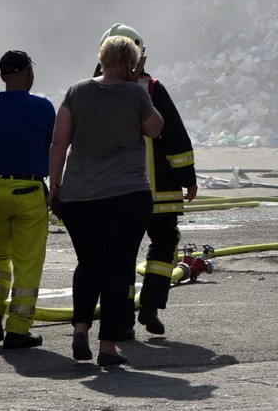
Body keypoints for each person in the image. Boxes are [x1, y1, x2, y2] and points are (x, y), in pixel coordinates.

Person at [49, 35, 164, 367]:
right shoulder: (134, 93)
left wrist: (55, 186)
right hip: (126, 195)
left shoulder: (77, 91)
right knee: (117, 268)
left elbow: (59, 143)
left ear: (101, 57)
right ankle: (108, 346)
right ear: (131, 62)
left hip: (79, 195)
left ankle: (81, 328)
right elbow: (155, 128)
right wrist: (136, 81)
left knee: (88, 264)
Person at [93, 24, 198, 340]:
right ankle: (150, 304)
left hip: (112, 191)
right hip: (159, 190)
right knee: (164, 241)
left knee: (119, 253)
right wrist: (187, 179)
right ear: (139, 55)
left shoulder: (90, 90)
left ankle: (122, 321)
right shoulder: (152, 89)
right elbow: (175, 137)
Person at [0, 51, 56, 349]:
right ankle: (18, 328)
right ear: (27, 73)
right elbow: (51, 140)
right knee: (27, 261)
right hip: (29, 190)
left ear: (1, 76)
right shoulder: (43, 107)